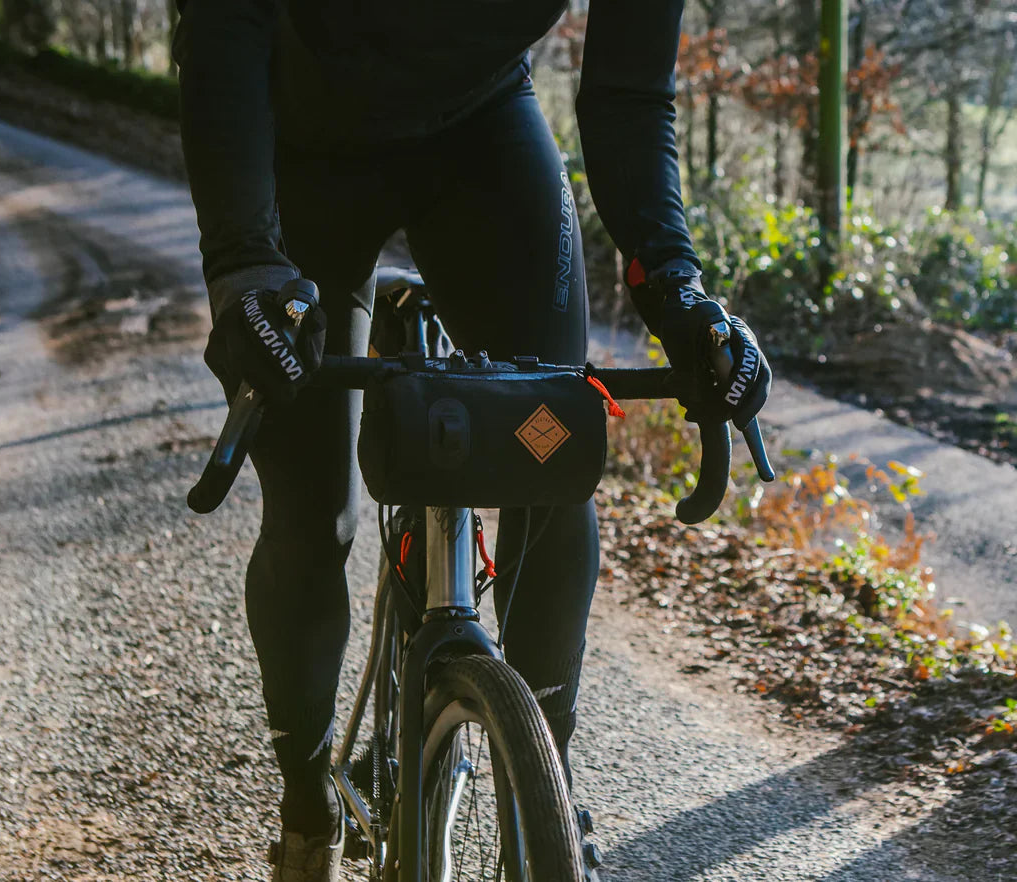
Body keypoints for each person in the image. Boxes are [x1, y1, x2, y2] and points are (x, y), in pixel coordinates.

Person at [173, 0, 773, 878]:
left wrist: (677, 290)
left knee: (551, 462)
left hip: (480, 132)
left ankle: (546, 791)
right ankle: (306, 809)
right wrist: (241, 261)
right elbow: (224, 21)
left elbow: (629, 93)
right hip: (301, 144)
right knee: (312, 513)